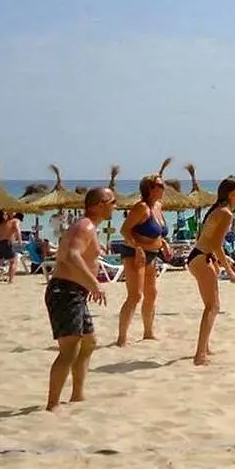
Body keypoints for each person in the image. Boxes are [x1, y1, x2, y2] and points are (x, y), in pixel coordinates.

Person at [45, 187, 113, 411]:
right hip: (65, 291)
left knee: (88, 342)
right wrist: (94, 283)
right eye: (111, 201)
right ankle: (52, 404)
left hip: (76, 292)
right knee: (69, 349)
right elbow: (71, 255)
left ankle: (77, 395)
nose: (115, 205)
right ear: (98, 204)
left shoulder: (89, 227)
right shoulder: (85, 226)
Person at [186, 177, 235, 365]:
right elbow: (216, 244)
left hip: (199, 256)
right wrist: (230, 271)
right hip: (202, 258)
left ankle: (205, 348)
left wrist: (219, 260)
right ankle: (200, 355)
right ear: (231, 194)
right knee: (213, 307)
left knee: (210, 306)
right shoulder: (226, 213)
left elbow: (207, 239)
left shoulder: (218, 209)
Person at [116, 174, 173, 346]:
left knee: (152, 293)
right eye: (160, 185)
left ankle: (148, 332)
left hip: (152, 254)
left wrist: (164, 244)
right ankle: (121, 338)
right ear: (150, 188)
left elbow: (157, 233)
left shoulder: (158, 206)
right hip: (134, 253)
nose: (163, 188)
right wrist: (137, 248)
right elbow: (124, 230)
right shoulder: (141, 208)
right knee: (135, 296)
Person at [0, 209, 22, 282]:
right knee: (13, 261)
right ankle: (10, 280)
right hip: (6, 242)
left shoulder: (2, 223)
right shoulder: (15, 220)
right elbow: (18, 229)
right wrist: (20, 241)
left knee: (0, 260)